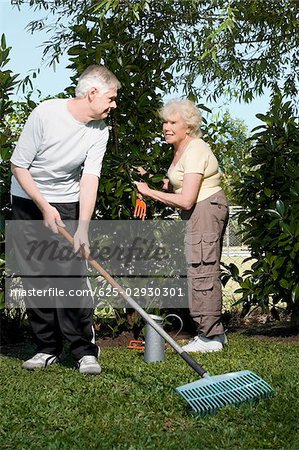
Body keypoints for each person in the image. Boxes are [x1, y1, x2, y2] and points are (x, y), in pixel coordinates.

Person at [10, 64, 121, 373]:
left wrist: (82, 227)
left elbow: (90, 178)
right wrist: (44, 206)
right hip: (28, 199)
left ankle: (85, 351)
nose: (113, 105)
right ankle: (46, 348)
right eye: (111, 98)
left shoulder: (100, 130)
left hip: (68, 201)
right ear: (92, 93)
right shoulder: (46, 114)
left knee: (71, 278)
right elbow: (19, 165)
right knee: (37, 277)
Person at [135, 99, 229, 353]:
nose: (166, 126)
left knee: (202, 267)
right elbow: (179, 183)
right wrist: (157, 182)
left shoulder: (196, 148)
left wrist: (150, 192)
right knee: (197, 265)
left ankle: (211, 337)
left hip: (204, 208)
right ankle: (210, 333)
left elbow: (187, 200)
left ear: (188, 126)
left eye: (172, 122)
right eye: (165, 121)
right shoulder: (180, 149)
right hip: (199, 210)